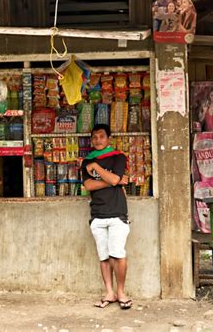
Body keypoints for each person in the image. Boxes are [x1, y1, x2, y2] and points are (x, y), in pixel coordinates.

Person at [81, 124, 132, 309]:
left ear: (108, 138)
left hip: (118, 212)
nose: (98, 140)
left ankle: (121, 292)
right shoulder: (86, 162)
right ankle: (109, 292)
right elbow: (89, 186)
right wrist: (112, 181)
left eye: (101, 136)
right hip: (97, 214)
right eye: (94, 137)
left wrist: (97, 169)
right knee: (103, 257)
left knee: (118, 254)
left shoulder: (118, 157)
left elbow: (114, 179)